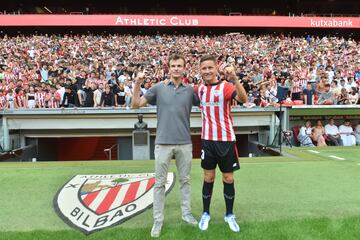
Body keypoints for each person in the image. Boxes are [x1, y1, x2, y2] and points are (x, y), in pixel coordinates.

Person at [132, 54, 198, 238]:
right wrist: (137, 83)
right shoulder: (158, 89)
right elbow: (135, 105)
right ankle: (158, 221)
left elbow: (207, 105)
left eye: (179, 65)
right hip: (162, 143)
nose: (176, 68)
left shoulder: (191, 90)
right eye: (173, 65)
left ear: (184, 68)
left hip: (184, 142)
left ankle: (186, 214)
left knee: (185, 181)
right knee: (159, 184)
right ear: (168, 68)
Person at [195, 55, 247, 233]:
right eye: (204, 68)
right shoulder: (199, 89)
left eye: (210, 68)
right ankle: (205, 213)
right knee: (208, 177)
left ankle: (229, 214)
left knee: (228, 178)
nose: (207, 71)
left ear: (216, 68)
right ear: (200, 70)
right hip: (207, 141)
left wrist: (234, 79)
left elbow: (243, 99)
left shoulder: (225, 87)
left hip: (225, 140)